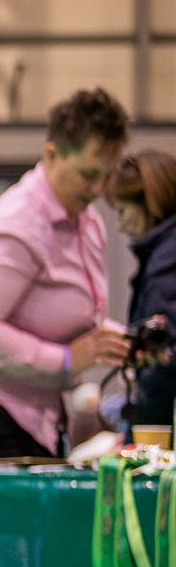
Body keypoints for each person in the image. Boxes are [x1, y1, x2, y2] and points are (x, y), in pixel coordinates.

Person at [0, 89, 126, 486]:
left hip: (31, 422)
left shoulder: (86, 223)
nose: (98, 189)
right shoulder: (15, 224)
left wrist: (117, 342)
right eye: (88, 174)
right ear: (52, 154)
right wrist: (65, 360)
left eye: (107, 175)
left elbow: (70, 321)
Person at [111, 147, 176, 432]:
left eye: (124, 211)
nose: (120, 224)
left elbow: (162, 360)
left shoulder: (166, 262)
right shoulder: (161, 257)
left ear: (151, 203)